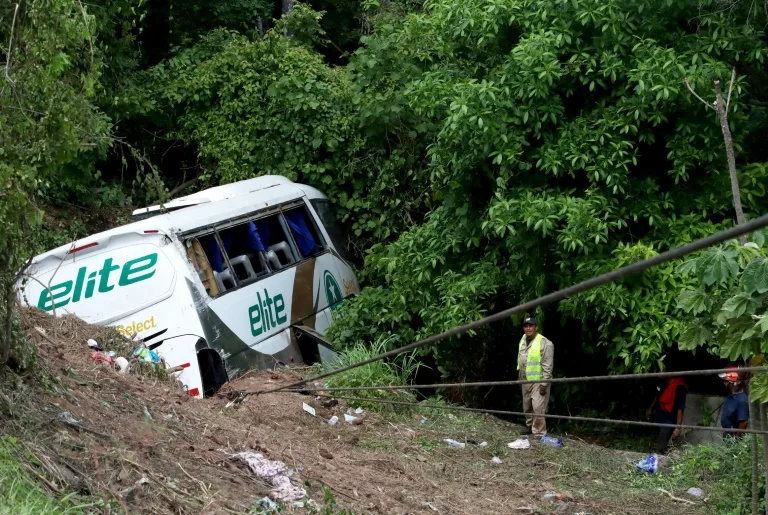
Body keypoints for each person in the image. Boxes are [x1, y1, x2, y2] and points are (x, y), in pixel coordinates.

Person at [517, 316, 554, 437]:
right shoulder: (523, 339)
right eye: (526, 326)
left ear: (536, 327)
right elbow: (521, 359)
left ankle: (539, 432)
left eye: (531, 326)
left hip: (539, 380)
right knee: (527, 405)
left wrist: (544, 383)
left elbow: (548, 366)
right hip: (525, 378)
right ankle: (529, 427)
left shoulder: (545, 343)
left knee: (538, 407)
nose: (528, 328)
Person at [646, 371, 687, 453]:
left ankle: (659, 455)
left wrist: (677, 428)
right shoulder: (661, 382)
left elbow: (680, 409)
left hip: (669, 419)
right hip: (658, 414)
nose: (660, 373)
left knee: (662, 441)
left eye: (662, 371)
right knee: (654, 436)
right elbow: (657, 397)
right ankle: (652, 452)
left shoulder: (680, 387)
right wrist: (650, 409)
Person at [719, 366, 749, 437]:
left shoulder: (742, 399)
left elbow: (743, 422)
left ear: (733, 383)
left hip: (734, 436)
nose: (724, 383)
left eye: (726, 381)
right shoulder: (731, 396)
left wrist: (736, 439)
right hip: (727, 434)